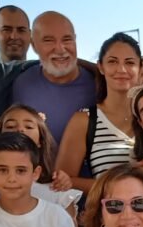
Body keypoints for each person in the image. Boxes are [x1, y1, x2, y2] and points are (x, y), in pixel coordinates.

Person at [56, 32, 141, 193]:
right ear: (101, 67)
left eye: (129, 62)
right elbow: (61, 182)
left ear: (140, 69)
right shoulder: (84, 120)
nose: (121, 69)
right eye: (112, 61)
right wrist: (115, 186)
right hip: (105, 209)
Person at [10, 11, 99, 147]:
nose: (60, 49)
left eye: (67, 39)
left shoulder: (99, 83)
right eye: (48, 40)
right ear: (33, 45)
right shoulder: (22, 84)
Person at [0, 104, 81, 216]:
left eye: (29, 127)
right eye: (10, 126)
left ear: (40, 140)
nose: (20, 130)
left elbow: (69, 226)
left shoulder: (56, 190)